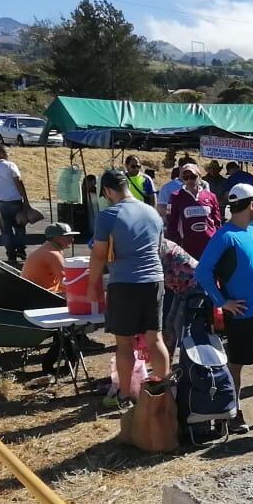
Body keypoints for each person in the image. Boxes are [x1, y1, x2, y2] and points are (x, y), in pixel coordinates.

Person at [194, 183, 253, 433]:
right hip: (240, 315)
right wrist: (222, 301)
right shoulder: (224, 236)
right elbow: (202, 271)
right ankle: (233, 412)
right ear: (250, 205)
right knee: (236, 365)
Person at [87, 169, 171, 406]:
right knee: (155, 340)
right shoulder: (152, 213)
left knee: (124, 343)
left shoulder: (108, 216)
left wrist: (93, 284)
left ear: (107, 191)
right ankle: (163, 391)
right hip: (154, 280)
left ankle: (125, 395)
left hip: (124, 282)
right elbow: (159, 247)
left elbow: (99, 254)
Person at [166, 163, 221, 259]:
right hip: (187, 247)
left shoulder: (210, 196)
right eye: (185, 177)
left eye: (193, 176)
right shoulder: (176, 196)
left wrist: (217, 242)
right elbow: (171, 224)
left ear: (199, 177)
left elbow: (217, 222)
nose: (189, 180)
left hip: (209, 245)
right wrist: (176, 245)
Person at [21, 222, 77, 292]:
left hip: (29, 291)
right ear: (56, 238)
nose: (72, 240)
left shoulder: (47, 248)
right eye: (68, 237)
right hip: (40, 296)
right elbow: (66, 282)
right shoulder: (53, 254)